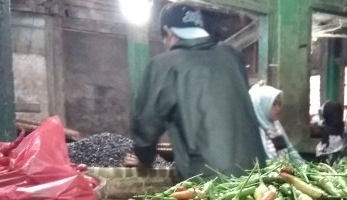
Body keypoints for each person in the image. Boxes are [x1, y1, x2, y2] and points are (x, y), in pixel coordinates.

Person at [130, 3, 266, 180]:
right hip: (256, 172)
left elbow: (146, 124)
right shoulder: (232, 56)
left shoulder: (164, 65)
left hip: (208, 177)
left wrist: (144, 158)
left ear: (169, 32)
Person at [248, 82, 305, 165]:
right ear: (261, 105)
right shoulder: (252, 130)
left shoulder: (275, 125)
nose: (278, 108)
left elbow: (290, 149)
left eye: (279, 104)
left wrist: (303, 167)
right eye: (274, 104)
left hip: (284, 172)